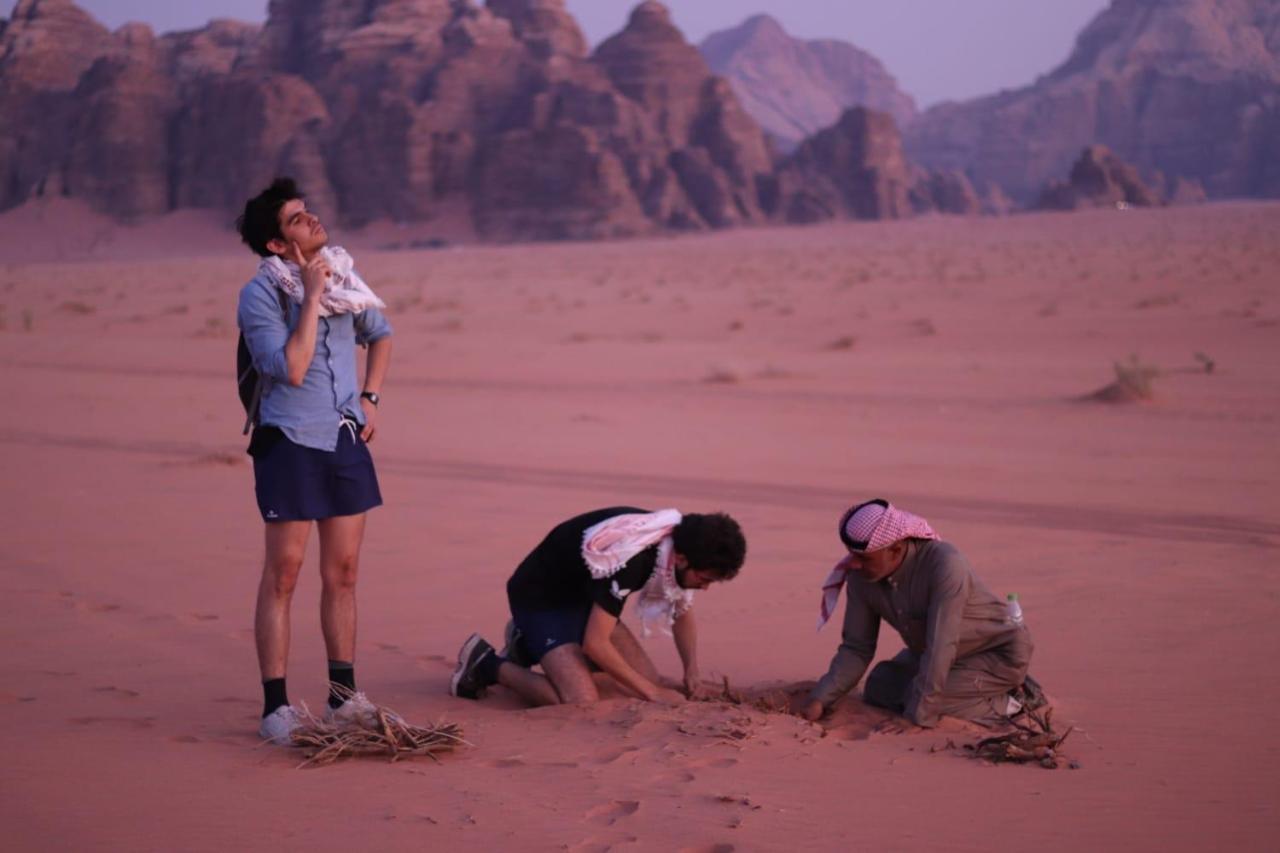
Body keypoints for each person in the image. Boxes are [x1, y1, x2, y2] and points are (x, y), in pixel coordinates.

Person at [235, 177, 394, 744]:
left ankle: (343, 698)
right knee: (284, 574)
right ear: (278, 244)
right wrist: (309, 296)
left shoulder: (343, 276)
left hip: (344, 439)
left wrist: (371, 396)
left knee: (343, 575)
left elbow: (381, 332)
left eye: (309, 212)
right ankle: (275, 707)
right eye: (298, 220)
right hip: (290, 443)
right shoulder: (260, 295)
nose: (313, 221)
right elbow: (293, 368)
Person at [449, 507, 746, 706]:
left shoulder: (674, 544)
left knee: (644, 680)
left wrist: (691, 672)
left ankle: (527, 645)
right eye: (704, 578)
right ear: (681, 558)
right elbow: (595, 644)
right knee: (581, 700)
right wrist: (652, 693)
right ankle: (486, 663)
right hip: (541, 598)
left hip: (583, 597)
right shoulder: (635, 559)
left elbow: (682, 610)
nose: (705, 587)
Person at [793, 499, 1036, 729]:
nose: (853, 564)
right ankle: (968, 691)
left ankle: (1015, 703)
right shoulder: (861, 577)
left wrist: (917, 717)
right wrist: (820, 699)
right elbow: (857, 647)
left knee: (922, 700)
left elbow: (942, 645)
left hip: (995, 654)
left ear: (896, 549)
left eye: (863, 558)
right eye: (852, 555)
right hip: (932, 656)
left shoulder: (946, 565)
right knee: (878, 686)